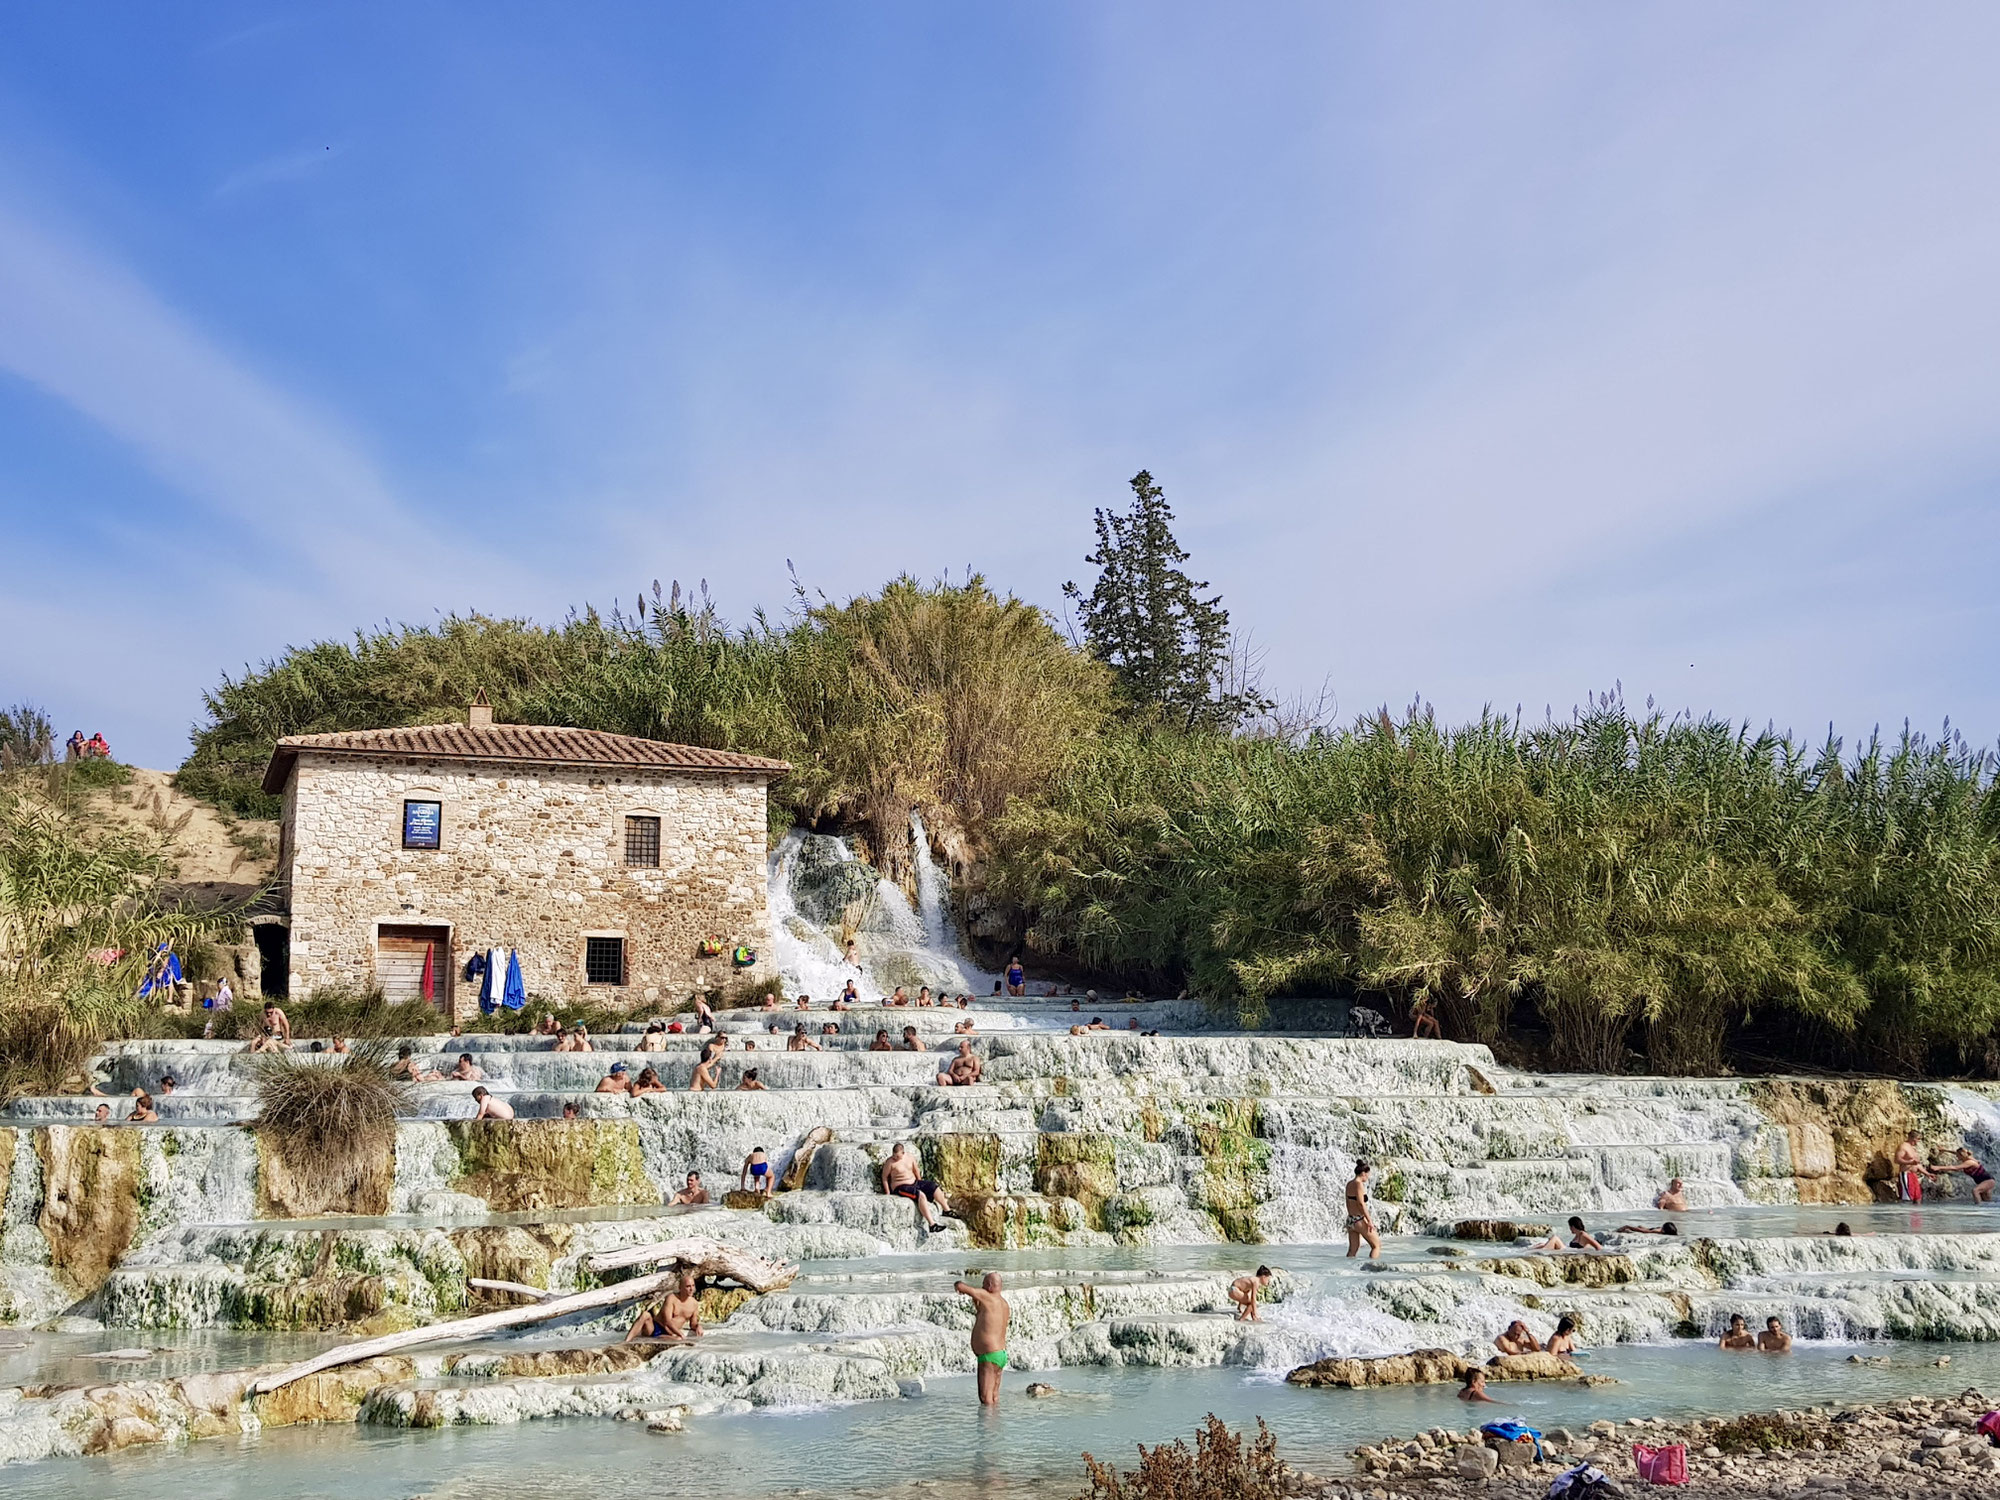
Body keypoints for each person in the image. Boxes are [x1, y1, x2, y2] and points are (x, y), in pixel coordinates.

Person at [953, 1272, 1011, 1405]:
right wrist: (975, 1299)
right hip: (1000, 1355)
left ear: (990, 1286)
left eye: (983, 1284)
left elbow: (963, 1287)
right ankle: (995, 1423)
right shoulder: (1004, 1304)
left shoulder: (987, 1296)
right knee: (994, 1398)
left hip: (989, 1356)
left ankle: (985, 1426)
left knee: (985, 1399)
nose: (982, 1287)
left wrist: (957, 1285)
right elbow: (983, 1314)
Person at [881, 1141, 950, 1232]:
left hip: (914, 1182)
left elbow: (916, 1170)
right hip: (900, 1187)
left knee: (933, 1186)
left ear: (903, 1153)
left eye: (897, 1156)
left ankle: (947, 1210)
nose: (895, 1158)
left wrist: (921, 1183)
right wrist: (888, 1193)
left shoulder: (910, 1157)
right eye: (894, 1155)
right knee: (921, 1195)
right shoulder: (890, 1162)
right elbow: (884, 1177)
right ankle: (932, 1225)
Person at [627, 1273, 704, 1341]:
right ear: (680, 1287)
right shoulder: (671, 1298)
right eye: (688, 1286)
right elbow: (667, 1321)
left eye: (693, 1286)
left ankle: (659, 1338)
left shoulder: (694, 1304)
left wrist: (698, 1326)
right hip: (655, 1328)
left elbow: (693, 1324)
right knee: (645, 1314)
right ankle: (626, 1341)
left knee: (678, 1339)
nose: (691, 1289)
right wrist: (681, 1333)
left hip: (669, 1334)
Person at [1345, 1161, 1381, 1259]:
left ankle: (1346, 1271)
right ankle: (1372, 1269)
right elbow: (1361, 1204)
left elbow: (1348, 1202)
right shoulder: (1359, 1184)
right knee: (1376, 1246)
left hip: (1350, 1220)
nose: (1368, 1177)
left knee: (1353, 1250)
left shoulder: (1349, 1184)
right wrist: (1369, 1221)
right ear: (1363, 1173)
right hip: (1359, 1220)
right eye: (1368, 1174)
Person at [1895, 1132, 1931, 1203]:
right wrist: (1910, 1162)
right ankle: (1904, 1213)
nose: (1918, 1141)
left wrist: (1927, 1174)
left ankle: (1916, 1213)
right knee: (1907, 1199)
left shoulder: (1913, 1148)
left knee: (1918, 1198)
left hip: (1914, 1176)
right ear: (1912, 1138)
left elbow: (1917, 1164)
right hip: (1906, 1175)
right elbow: (1897, 1160)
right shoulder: (1903, 1146)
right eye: (1918, 1139)